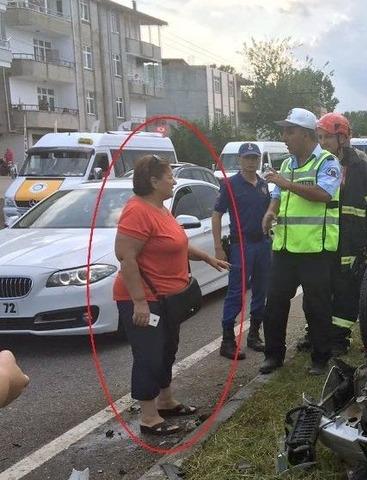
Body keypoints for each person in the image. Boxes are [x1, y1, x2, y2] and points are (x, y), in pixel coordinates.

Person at [114, 155, 230, 436]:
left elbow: (175, 243)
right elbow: (126, 257)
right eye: (169, 177)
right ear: (153, 181)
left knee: (167, 349)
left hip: (168, 298)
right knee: (149, 355)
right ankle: (149, 417)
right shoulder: (137, 211)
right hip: (144, 299)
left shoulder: (160, 209)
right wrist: (140, 302)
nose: (174, 181)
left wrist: (205, 257)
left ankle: (166, 401)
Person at [260, 108, 342, 376]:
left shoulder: (327, 163)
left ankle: (320, 358)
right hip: (284, 248)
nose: (284, 137)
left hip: (314, 249)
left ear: (307, 135)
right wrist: (271, 210)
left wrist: (284, 183)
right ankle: (273, 355)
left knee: (317, 306)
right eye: (284, 131)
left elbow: (322, 194)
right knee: (274, 303)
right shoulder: (286, 164)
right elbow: (278, 194)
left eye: (289, 131)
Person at [315, 112, 367, 355]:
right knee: (320, 291)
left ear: (342, 139)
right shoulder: (317, 165)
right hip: (322, 240)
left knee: (346, 291)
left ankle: (338, 339)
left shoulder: (360, 168)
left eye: (327, 137)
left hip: (351, 242)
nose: (322, 142)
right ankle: (315, 334)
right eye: (320, 137)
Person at [212, 142, 272, 360]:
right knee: (236, 292)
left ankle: (254, 335)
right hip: (241, 245)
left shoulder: (263, 185)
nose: (251, 162)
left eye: (255, 158)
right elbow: (217, 215)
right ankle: (227, 340)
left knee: (261, 290)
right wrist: (218, 247)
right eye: (247, 158)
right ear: (240, 160)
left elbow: (269, 212)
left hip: (263, 244)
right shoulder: (230, 184)